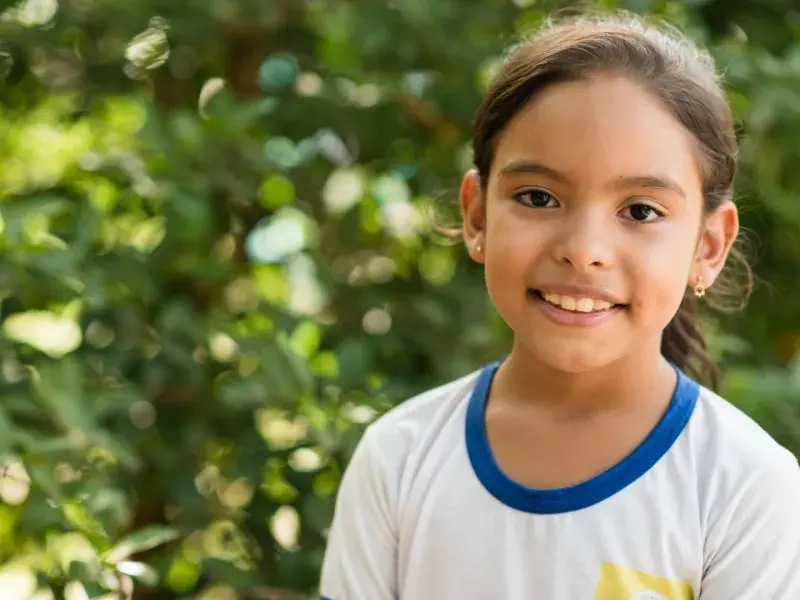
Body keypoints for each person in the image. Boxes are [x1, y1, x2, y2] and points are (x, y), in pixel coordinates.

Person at [319, 11, 800, 600]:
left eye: (641, 211)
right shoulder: (399, 460)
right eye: (538, 197)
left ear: (707, 246)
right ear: (477, 216)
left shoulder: (746, 490)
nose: (584, 251)